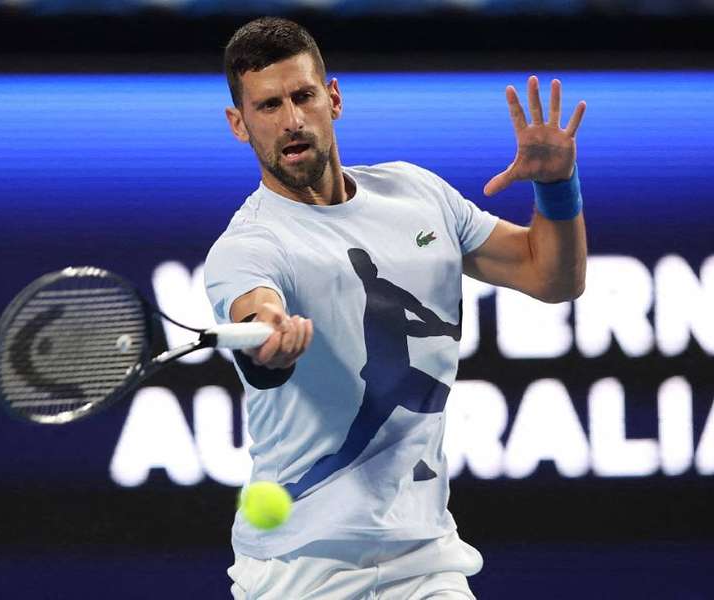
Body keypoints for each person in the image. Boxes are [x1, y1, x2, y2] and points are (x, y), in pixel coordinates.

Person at [204, 16, 587, 600]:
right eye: (268, 106)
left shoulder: (416, 193)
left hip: (426, 560)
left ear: (333, 98)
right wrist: (270, 337)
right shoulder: (249, 245)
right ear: (239, 124)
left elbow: (551, 275)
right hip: (301, 569)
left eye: (304, 96)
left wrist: (557, 187)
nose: (292, 120)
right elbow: (257, 310)